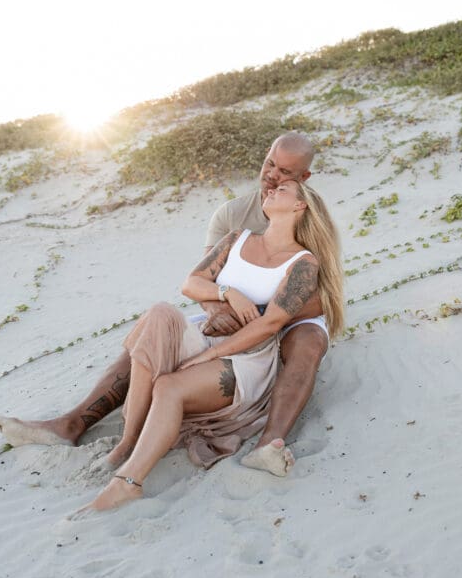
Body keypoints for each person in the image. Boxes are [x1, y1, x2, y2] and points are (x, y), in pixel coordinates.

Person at [0, 132, 331, 476]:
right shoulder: (231, 216)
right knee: (153, 333)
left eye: (285, 173)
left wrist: (259, 316)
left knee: (308, 342)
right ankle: (73, 424)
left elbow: (318, 299)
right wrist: (220, 308)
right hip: (232, 309)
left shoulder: (307, 216)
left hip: (288, 317)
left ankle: (269, 444)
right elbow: (204, 284)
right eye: (269, 163)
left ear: (304, 179)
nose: (272, 175)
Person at [74, 179, 343, 514]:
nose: (272, 190)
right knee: (159, 314)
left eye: (283, 190)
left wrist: (213, 353)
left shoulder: (303, 263)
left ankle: (128, 483)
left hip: (247, 355)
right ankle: (128, 441)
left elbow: (271, 323)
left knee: (169, 386)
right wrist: (227, 291)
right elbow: (191, 284)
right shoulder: (237, 239)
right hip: (208, 334)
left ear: (300, 206)